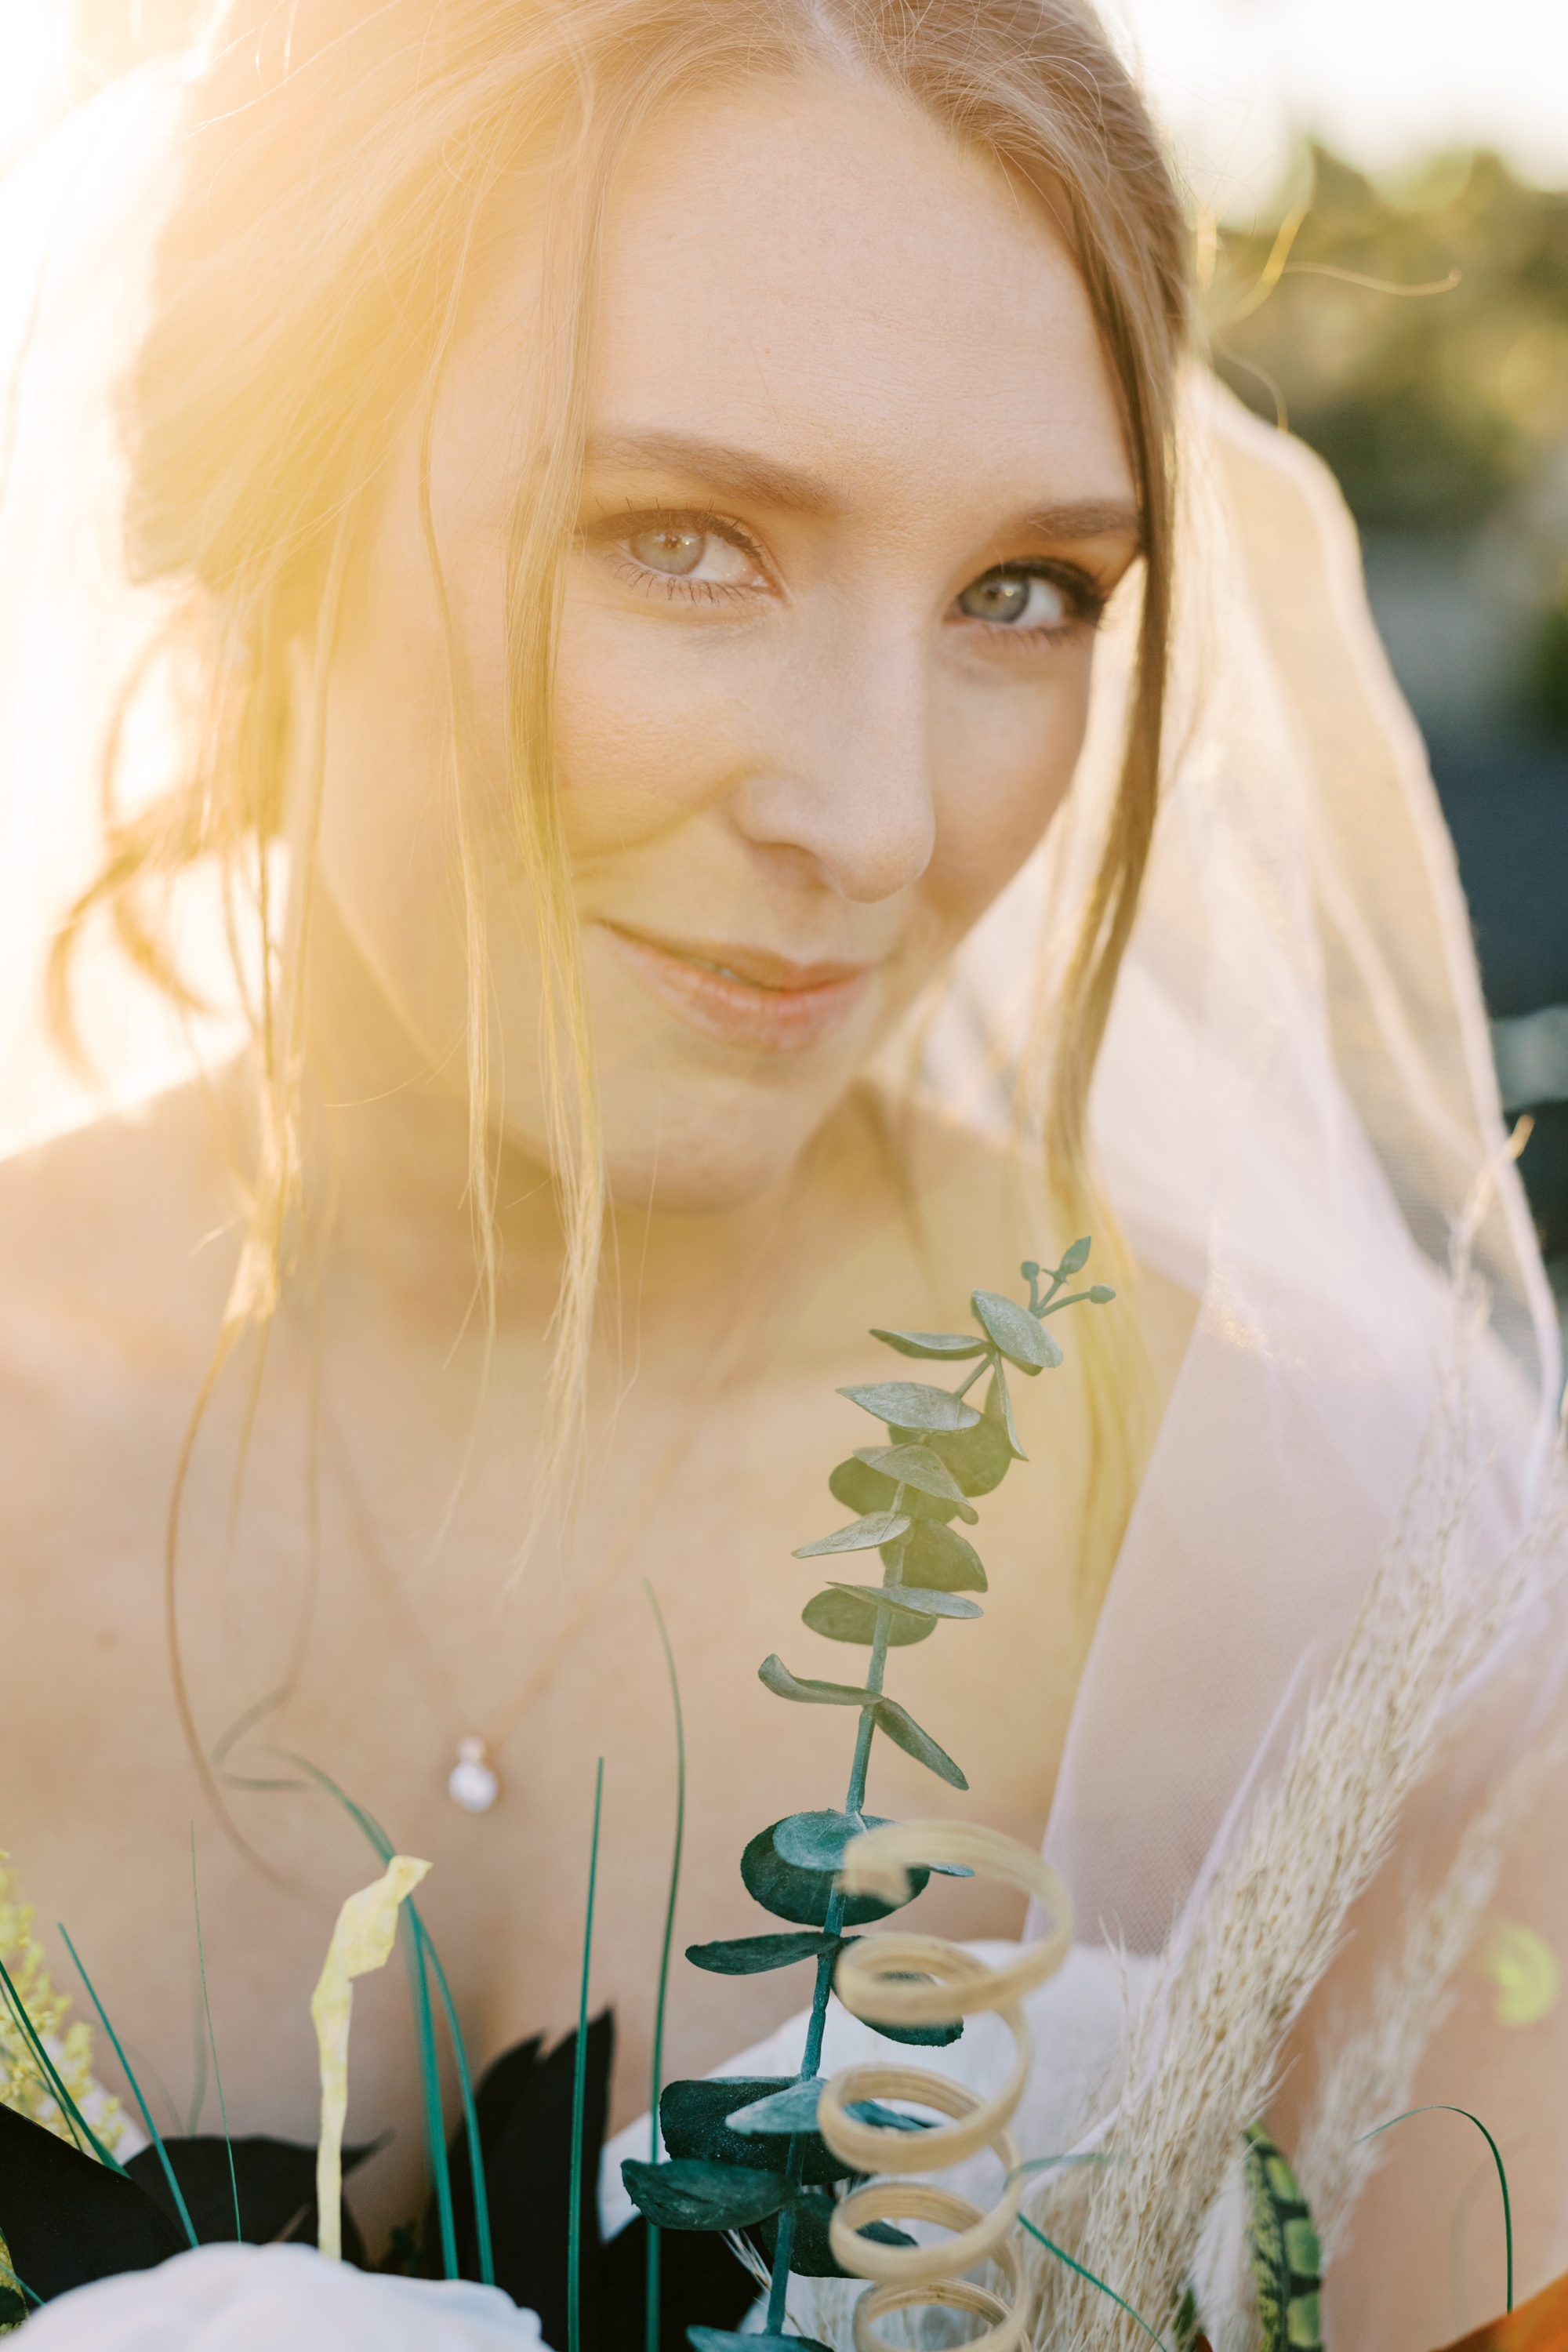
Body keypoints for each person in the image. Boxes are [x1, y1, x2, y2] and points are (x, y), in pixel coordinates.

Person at [0, 5, 1561, 2347]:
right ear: (252, 501)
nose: (881, 819)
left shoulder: (1362, 1605)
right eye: (686, 543)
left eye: (1024, 592)